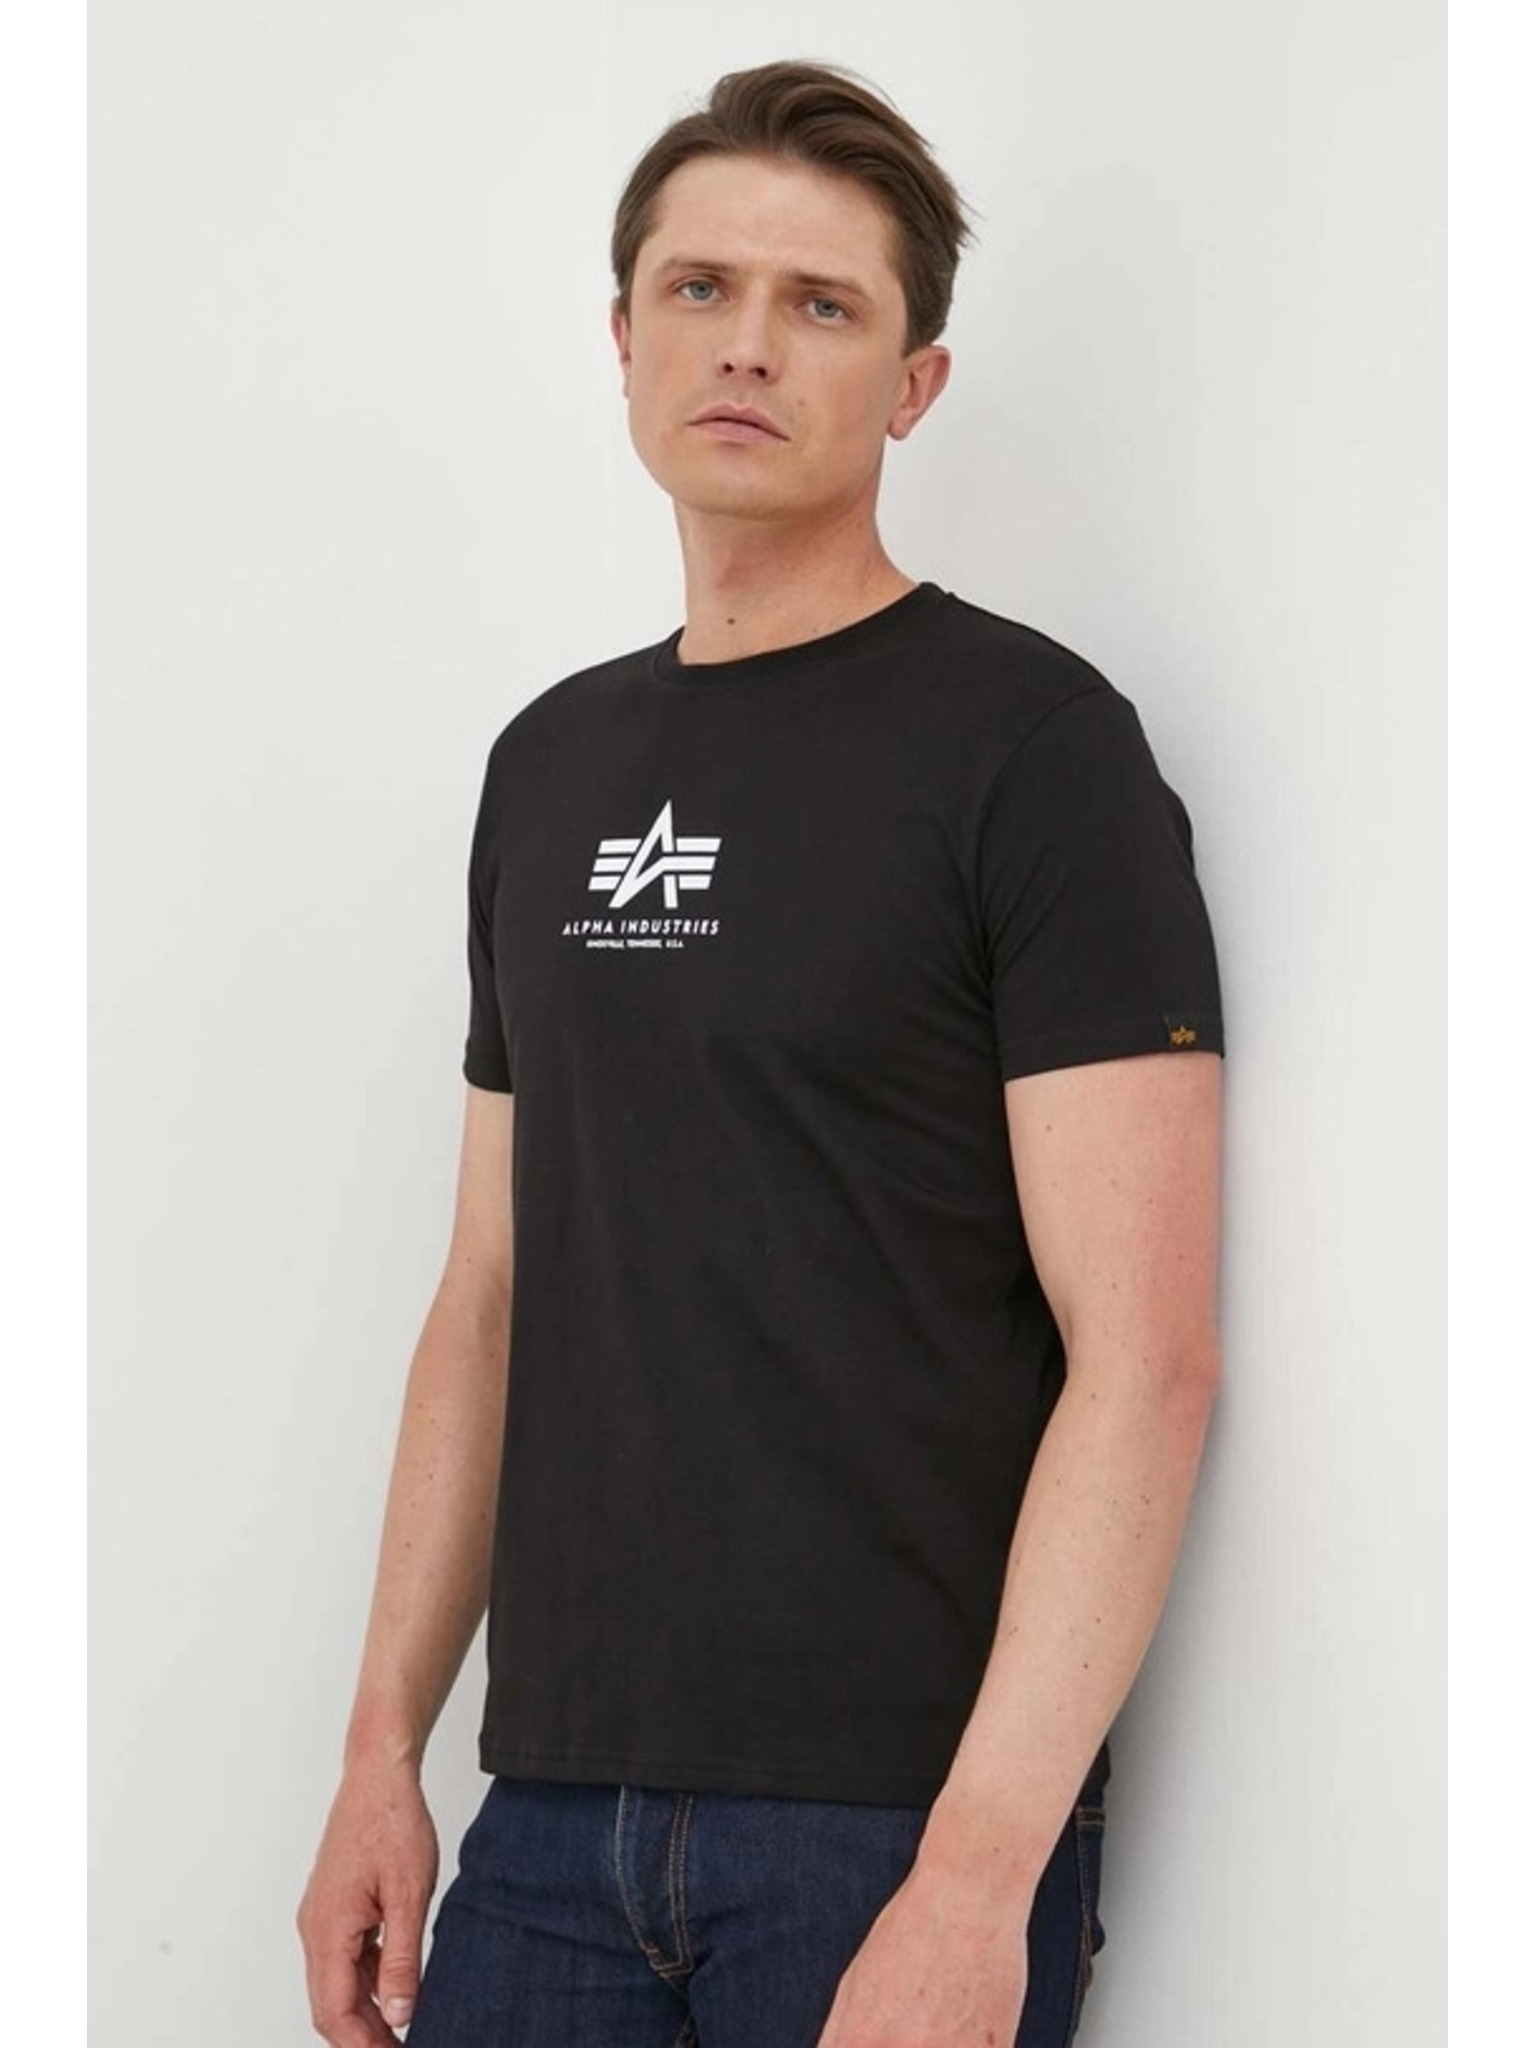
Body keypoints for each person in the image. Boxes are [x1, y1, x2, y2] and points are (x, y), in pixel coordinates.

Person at [297, 57, 1226, 2048]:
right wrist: (383, 1751)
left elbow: (1146, 1358)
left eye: (823, 304)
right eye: (701, 287)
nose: (746, 344)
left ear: (914, 385)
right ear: (623, 337)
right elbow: (486, 1298)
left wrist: (978, 1872)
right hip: (548, 1809)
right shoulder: (551, 765)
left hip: (884, 1820)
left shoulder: (1034, 751)